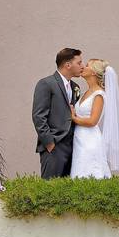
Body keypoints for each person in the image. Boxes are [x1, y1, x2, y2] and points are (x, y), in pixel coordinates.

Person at [69, 58, 119, 178]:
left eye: (86, 66)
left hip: (89, 141)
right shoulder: (86, 92)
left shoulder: (99, 95)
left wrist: (73, 118)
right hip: (79, 138)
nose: (82, 67)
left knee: (89, 172)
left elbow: (92, 121)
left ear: (94, 72)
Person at [31, 47, 83, 179]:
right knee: (50, 188)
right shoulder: (46, 84)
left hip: (73, 147)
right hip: (54, 146)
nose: (82, 66)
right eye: (79, 63)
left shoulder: (75, 87)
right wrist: (49, 143)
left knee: (67, 191)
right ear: (68, 65)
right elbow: (39, 116)